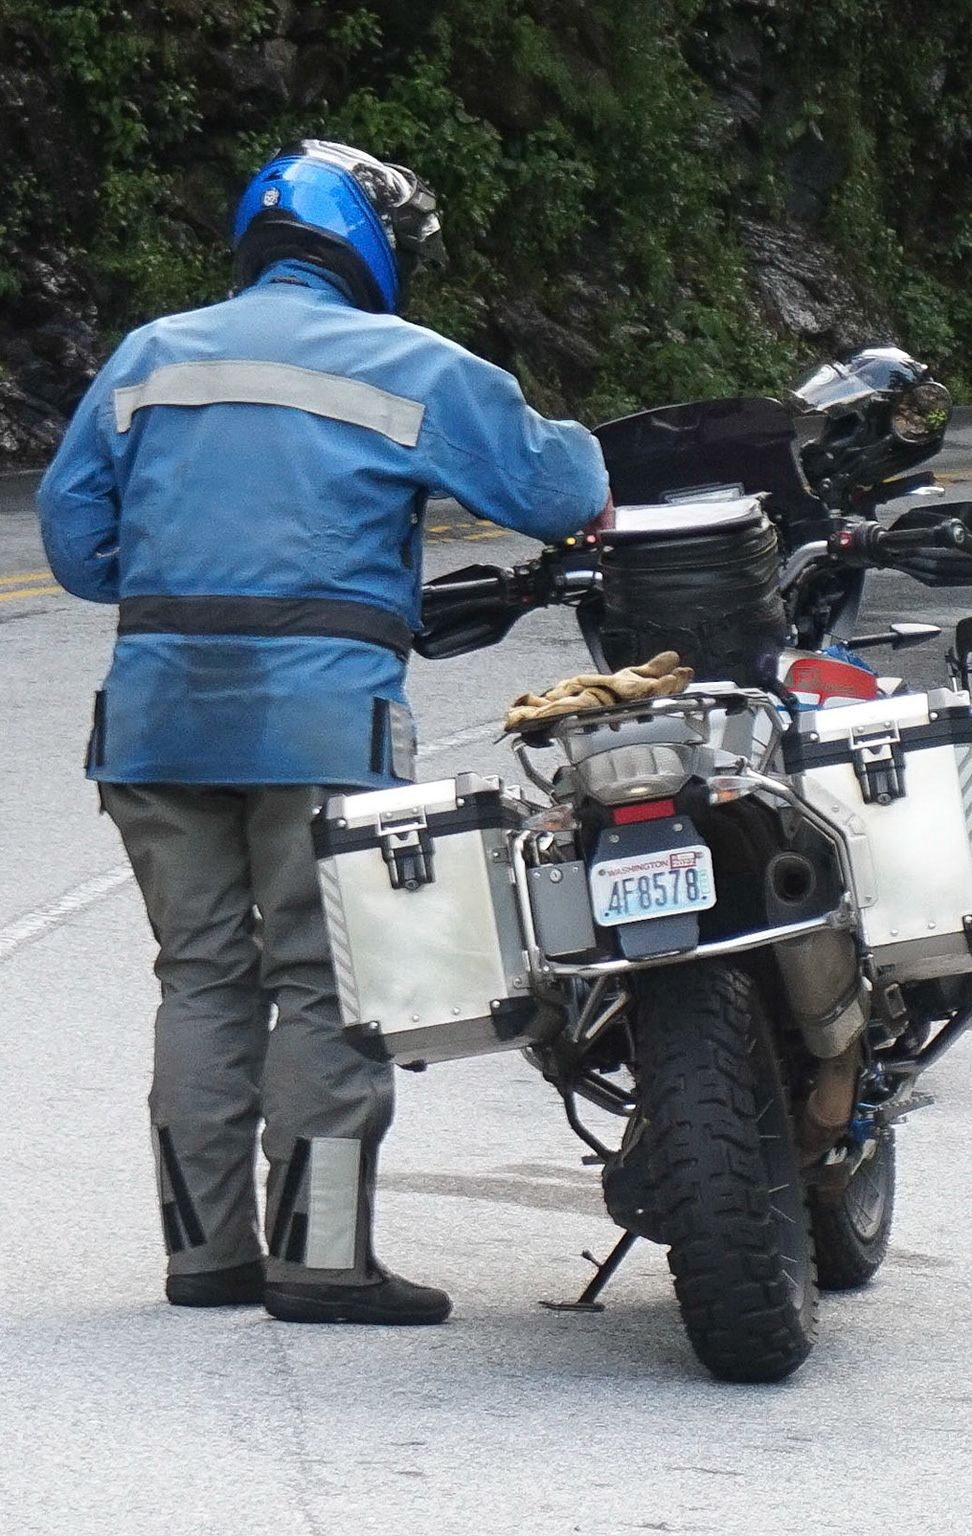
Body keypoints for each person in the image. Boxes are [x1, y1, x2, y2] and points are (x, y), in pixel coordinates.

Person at [37, 140, 610, 1325]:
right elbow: (562, 495)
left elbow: (78, 548)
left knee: (200, 977)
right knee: (324, 983)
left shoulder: (149, 355)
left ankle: (206, 1258)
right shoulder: (409, 364)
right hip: (318, 723)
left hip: (153, 724)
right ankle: (320, 1260)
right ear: (368, 245)